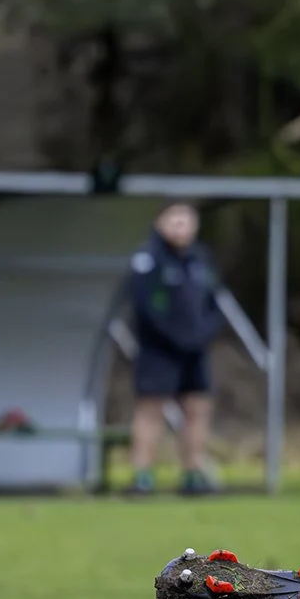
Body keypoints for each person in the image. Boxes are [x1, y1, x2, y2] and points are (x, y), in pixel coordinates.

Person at [121, 201, 228, 496]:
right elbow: (146, 308)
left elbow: (214, 302)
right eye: (175, 219)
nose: (181, 226)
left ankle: (193, 473)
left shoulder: (200, 259)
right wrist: (175, 336)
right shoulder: (148, 259)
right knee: (151, 409)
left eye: (187, 220)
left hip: (195, 348)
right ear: (160, 222)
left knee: (198, 408)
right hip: (159, 348)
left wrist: (203, 333)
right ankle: (142, 475)